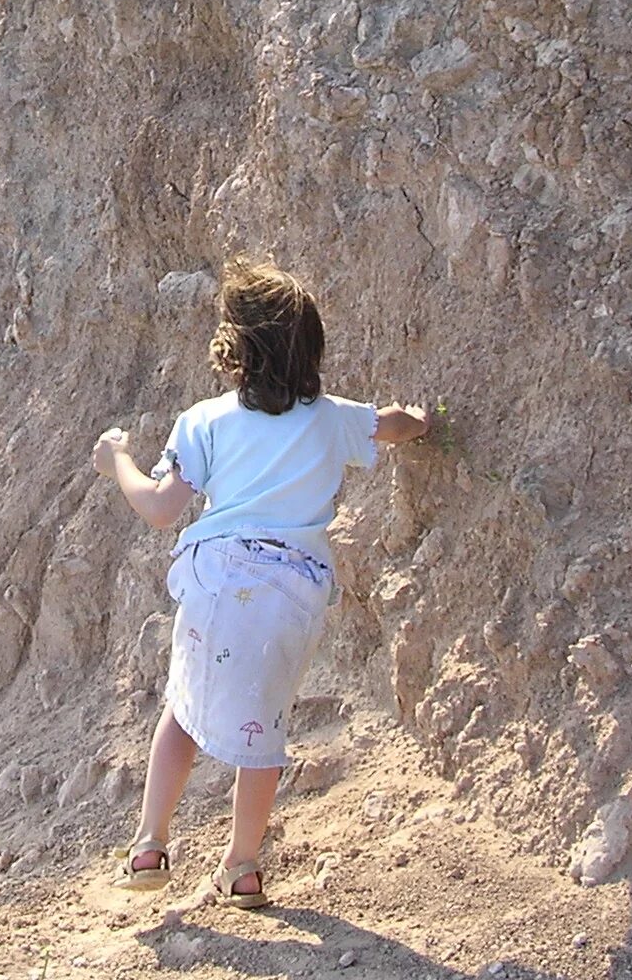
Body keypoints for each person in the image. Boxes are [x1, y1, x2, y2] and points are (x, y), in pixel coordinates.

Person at [91, 256, 429, 908]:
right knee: (262, 729)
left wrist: (119, 462)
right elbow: (392, 425)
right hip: (293, 595)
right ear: (313, 348)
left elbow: (161, 509)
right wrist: (424, 420)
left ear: (233, 350)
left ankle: (148, 845)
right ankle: (242, 867)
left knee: (184, 709)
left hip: (219, 582)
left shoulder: (205, 421)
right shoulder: (331, 417)